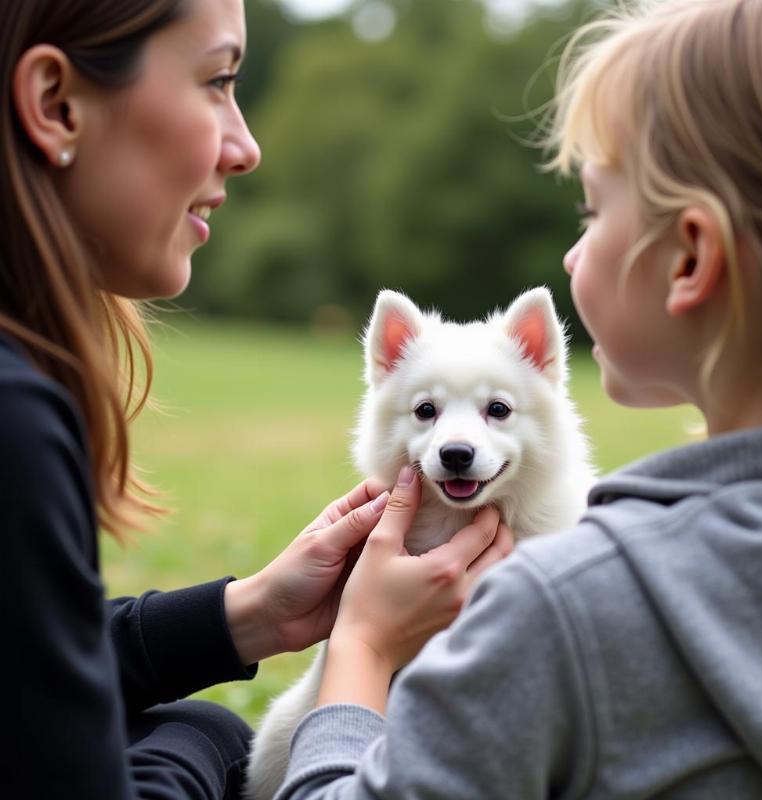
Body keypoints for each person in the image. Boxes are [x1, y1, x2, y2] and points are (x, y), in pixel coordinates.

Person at [271, 0, 762, 798]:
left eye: (592, 208)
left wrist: (363, 646)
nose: (571, 247)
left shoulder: (563, 603)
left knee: (183, 745)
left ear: (690, 256)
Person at [1, 1, 511, 797]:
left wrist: (251, 615)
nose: (247, 146)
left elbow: (20, 674)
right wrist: (347, 657)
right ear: (56, 106)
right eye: (217, 80)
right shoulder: (16, 421)